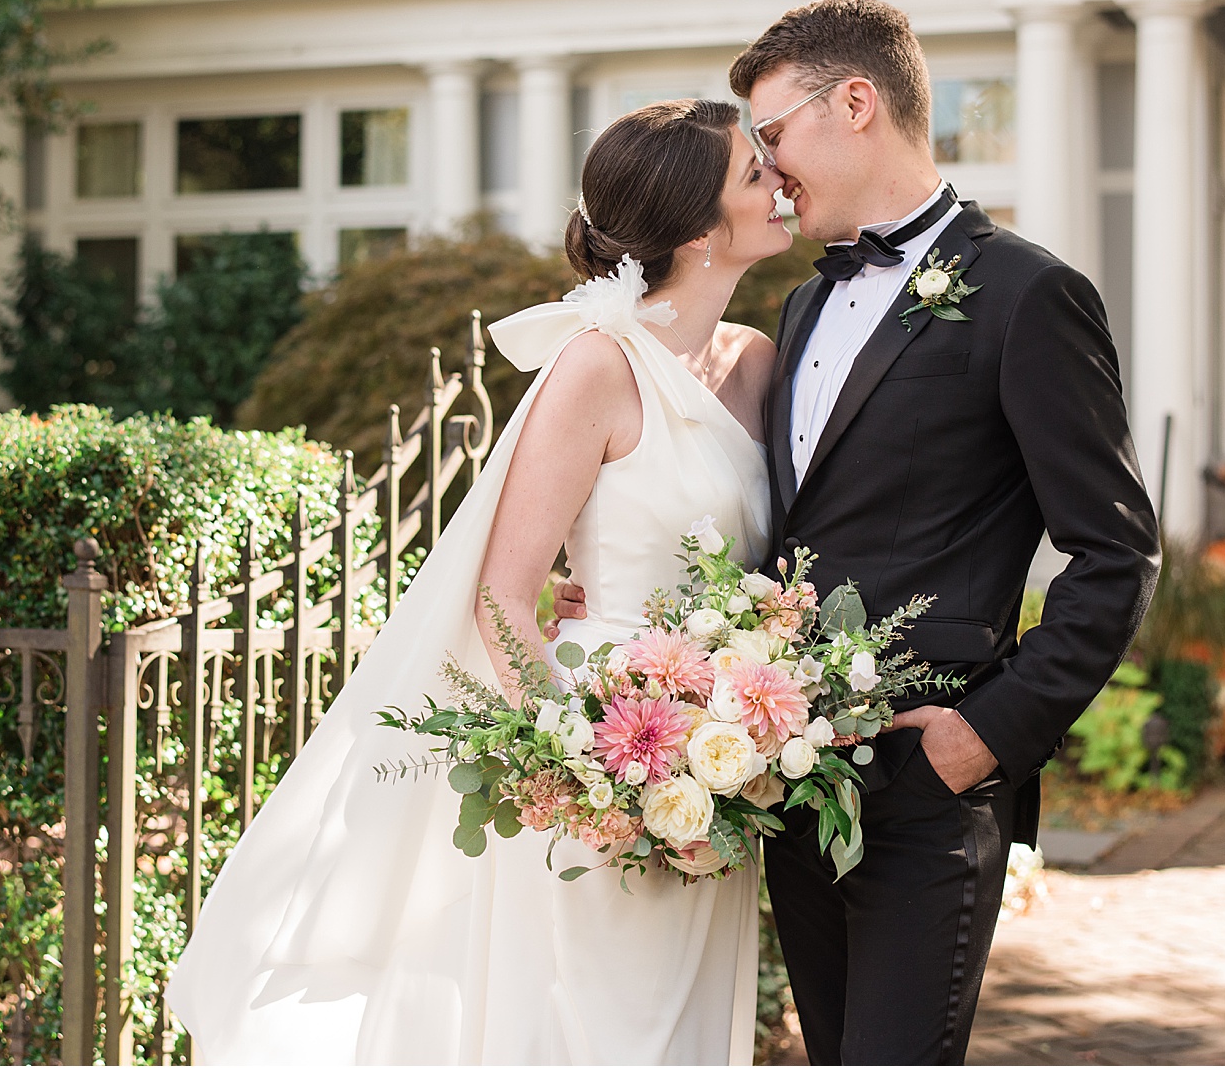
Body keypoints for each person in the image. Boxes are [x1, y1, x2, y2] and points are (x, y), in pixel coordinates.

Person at [553, 0, 1161, 1064]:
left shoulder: (1030, 296)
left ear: (859, 103)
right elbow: (783, 530)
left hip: (931, 786)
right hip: (786, 779)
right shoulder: (796, 309)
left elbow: (1118, 551)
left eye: (776, 135)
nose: (771, 168)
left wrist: (989, 736)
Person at [165, 98, 793, 1064]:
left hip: (721, 764)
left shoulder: (755, 362)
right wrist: (586, 775)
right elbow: (502, 595)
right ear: (702, 231)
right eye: (756, 173)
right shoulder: (596, 369)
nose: (780, 180)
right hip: (607, 752)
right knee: (590, 1032)